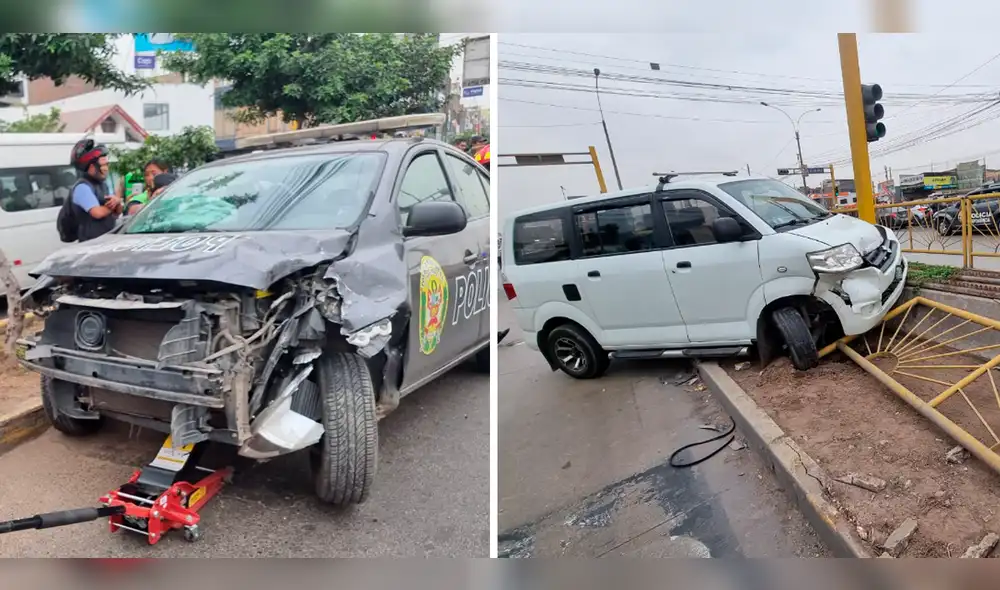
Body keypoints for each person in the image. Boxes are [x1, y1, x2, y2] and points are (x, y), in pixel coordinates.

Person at [67, 138, 122, 242]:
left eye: (107, 165)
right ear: (91, 167)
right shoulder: (82, 187)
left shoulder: (103, 185)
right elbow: (97, 213)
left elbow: (117, 213)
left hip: (107, 240)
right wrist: (113, 205)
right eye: (103, 166)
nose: (106, 169)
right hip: (91, 244)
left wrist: (117, 203)